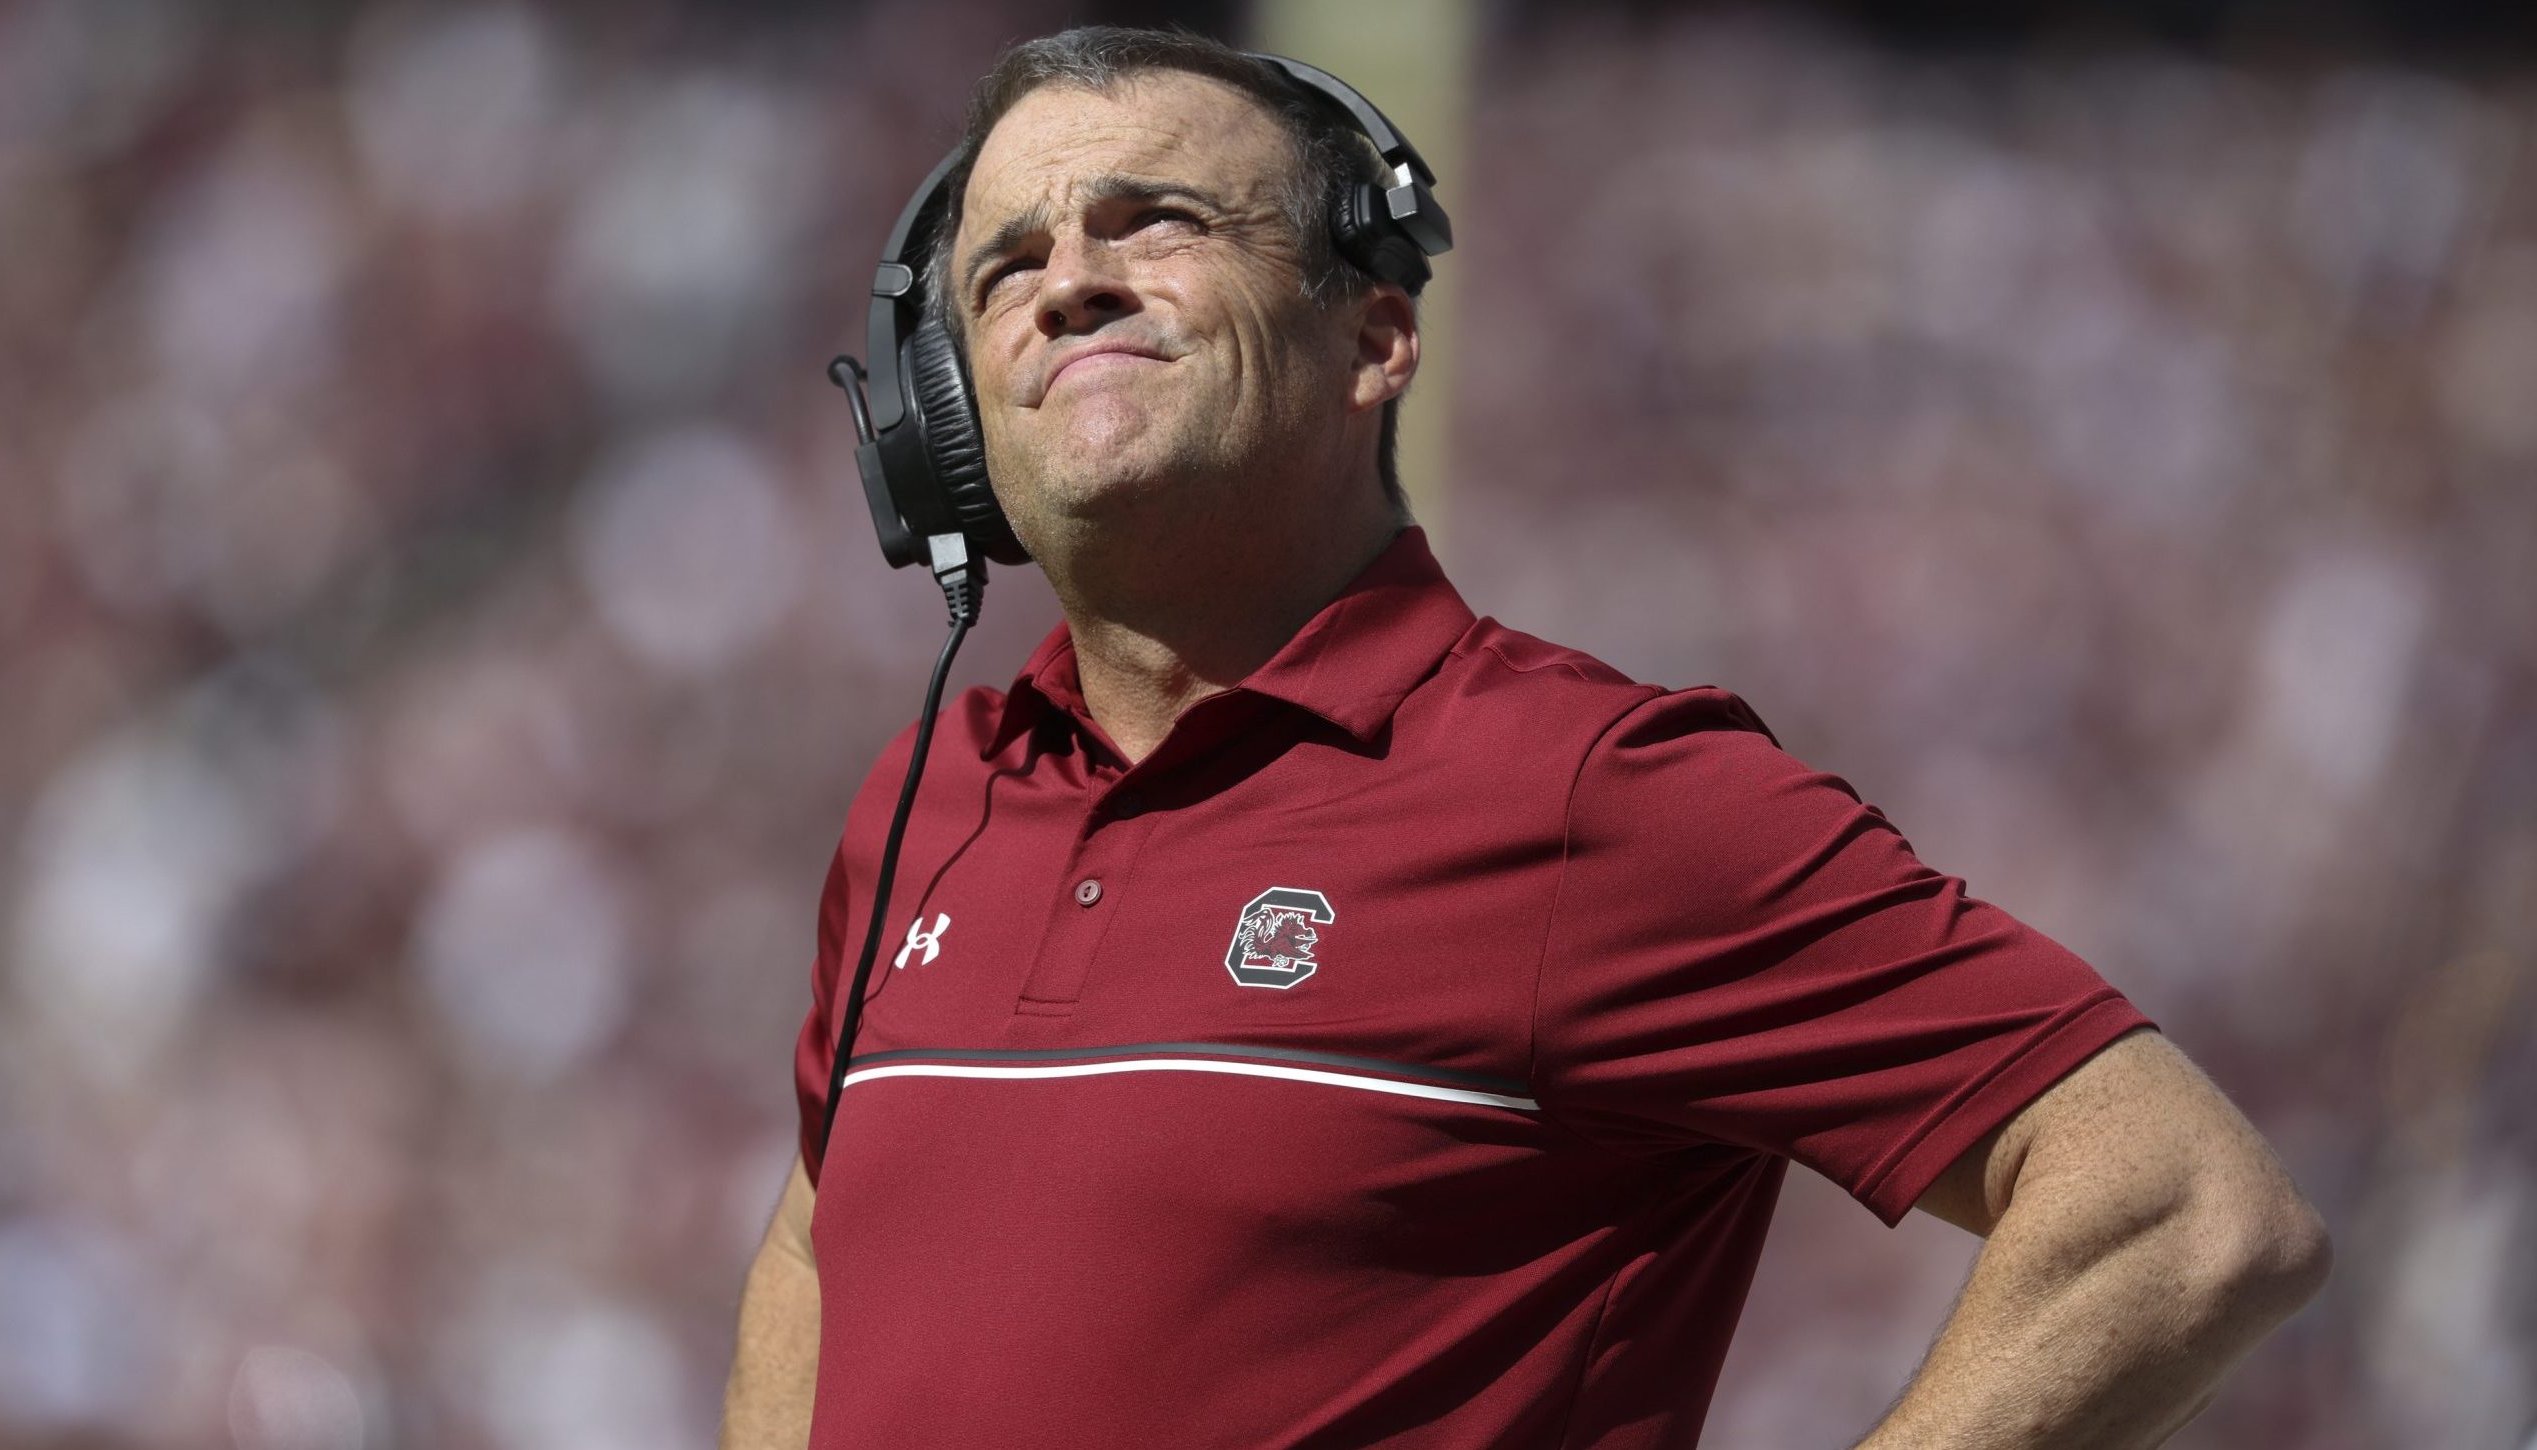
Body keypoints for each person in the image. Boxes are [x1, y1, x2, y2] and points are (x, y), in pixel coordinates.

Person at [721, 27, 2329, 1450]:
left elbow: (2182, 1206)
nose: (1070, 273)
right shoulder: (923, 797)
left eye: (1161, 224)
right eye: (1006, 266)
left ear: (1374, 338)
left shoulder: (1590, 789)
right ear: (945, 426)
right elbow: (816, 1247)